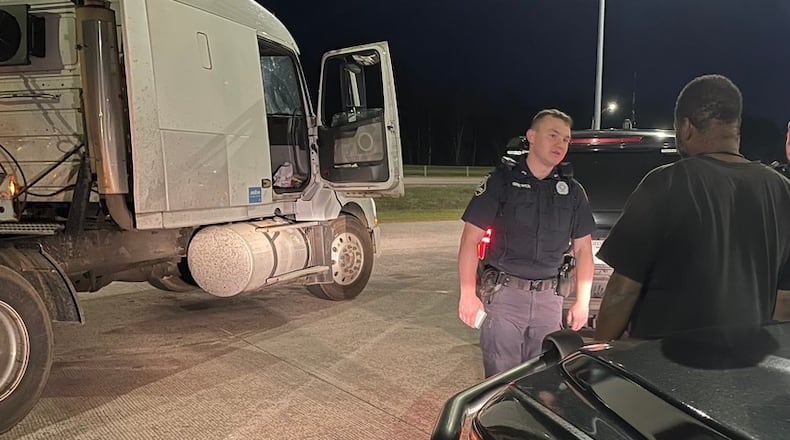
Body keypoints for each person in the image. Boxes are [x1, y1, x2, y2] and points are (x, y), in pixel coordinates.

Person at [594, 74, 790, 341]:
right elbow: (784, 302)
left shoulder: (666, 183)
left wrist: (598, 356)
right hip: (745, 370)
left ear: (686, 128)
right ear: (736, 126)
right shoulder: (782, 190)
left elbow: (622, 291)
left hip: (664, 372)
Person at [458, 109, 595, 377]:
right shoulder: (502, 182)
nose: (560, 144)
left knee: (544, 380)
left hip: (549, 301)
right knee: (500, 381)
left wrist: (583, 301)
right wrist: (466, 293)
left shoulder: (573, 192)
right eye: (552, 135)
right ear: (531, 137)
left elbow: (584, 249)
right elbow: (470, 239)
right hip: (505, 298)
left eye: (566, 140)